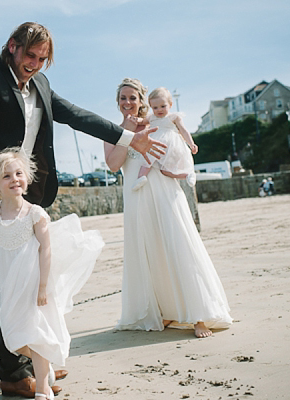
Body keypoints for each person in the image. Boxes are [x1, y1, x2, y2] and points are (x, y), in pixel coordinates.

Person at [0, 22, 166, 396]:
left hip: (24, 191)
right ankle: (13, 373)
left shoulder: (42, 87)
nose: (34, 64)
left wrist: (130, 139)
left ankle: (37, 357)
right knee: (6, 269)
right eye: (29, 55)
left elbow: (77, 115)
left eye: (42, 59)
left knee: (31, 272)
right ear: (12, 46)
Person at [0, 148, 103, 400]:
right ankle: (46, 363)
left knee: (36, 333)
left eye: (19, 173)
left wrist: (42, 286)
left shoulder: (35, 214)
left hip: (33, 281)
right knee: (12, 339)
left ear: (26, 178)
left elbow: (46, 250)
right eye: (7, 176)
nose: (14, 179)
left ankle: (42, 387)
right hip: (6, 284)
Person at [104, 78, 233, 338]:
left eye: (132, 98)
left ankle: (199, 316)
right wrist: (126, 134)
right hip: (136, 198)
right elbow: (114, 165)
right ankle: (164, 311)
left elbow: (177, 150)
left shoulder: (157, 123)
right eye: (123, 98)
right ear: (117, 102)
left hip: (164, 193)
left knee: (179, 244)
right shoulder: (111, 131)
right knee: (149, 251)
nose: (127, 103)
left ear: (142, 101)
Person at [131, 87, 198, 191]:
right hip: (156, 144)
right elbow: (142, 121)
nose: (159, 110)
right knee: (152, 162)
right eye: (155, 107)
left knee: (165, 168)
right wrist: (135, 119)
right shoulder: (152, 117)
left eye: (163, 106)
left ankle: (188, 175)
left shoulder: (174, 117)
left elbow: (184, 131)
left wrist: (191, 144)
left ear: (170, 105)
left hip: (171, 145)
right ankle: (141, 177)